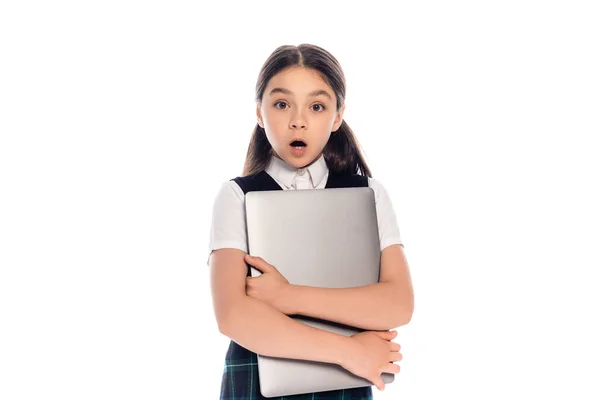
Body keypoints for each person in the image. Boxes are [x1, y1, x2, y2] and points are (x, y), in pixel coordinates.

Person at [208, 43, 414, 400]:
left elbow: (397, 303)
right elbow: (233, 315)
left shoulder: (369, 193)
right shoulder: (236, 196)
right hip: (258, 379)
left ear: (337, 117)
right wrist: (348, 351)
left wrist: (288, 297)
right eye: (282, 104)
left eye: (316, 106)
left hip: (345, 385)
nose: (298, 120)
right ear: (259, 113)